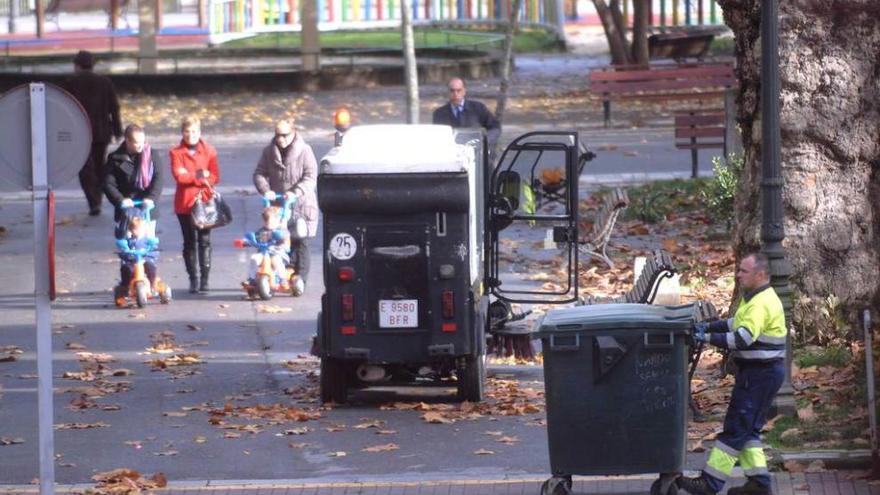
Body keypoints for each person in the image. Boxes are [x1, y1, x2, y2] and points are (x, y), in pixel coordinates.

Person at [679, 252, 787, 495]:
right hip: (758, 374)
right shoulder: (755, 298)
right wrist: (707, 326)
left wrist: (704, 337)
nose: (738, 275)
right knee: (748, 430)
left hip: (761, 375)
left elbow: (741, 339)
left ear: (760, 275)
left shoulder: (761, 303)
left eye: (743, 271)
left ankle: (709, 484)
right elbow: (734, 323)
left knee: (736, 428)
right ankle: (759, 484)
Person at [253, 118, 318, 297]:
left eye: (284, 135)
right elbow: (259, 173)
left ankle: (300, 279)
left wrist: (296, 192)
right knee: (280, 242)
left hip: (302, 205)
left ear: (293, 133)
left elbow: (311, 177)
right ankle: (282, 275)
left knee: (301, 243)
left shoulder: (305, 151)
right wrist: (266, 190)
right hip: (279, 208)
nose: (280, 139)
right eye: (277, 135)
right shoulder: (269, 152)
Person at [65, 49, 123, 216]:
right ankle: (100, 192)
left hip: (80, 132)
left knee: (84, 167)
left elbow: (66, 110)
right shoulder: (105, 82)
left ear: (77, 65)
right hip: (102, 131)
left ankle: (94, 201)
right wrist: (118, 130)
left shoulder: (71, 82)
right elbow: (114, 107)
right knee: (99, 164)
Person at [169, 116, 220, 294]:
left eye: (194, 132)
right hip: (184, 203)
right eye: (187, 131)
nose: (190, 135)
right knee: (189, 242)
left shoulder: (210, 151)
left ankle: (205, 279)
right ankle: (193, 279)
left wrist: (191, 174)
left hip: (204, 201)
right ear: (182, 132)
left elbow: (214, 177)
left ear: (200, 132)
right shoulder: (176, 152)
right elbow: (179, 177)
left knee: (205, 241)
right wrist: (201, 174)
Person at [104, 124, 163, 223]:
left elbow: (158, 178)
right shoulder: (115, 158)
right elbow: (108, 183)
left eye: (142, 141)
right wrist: (120, 200)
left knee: (148, 236)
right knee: (125, 237)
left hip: (147, 208)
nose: (141, 145)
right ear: (127, 141)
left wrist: (151, 198)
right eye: (136, 142)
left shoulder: (152, 155)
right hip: (125, 208)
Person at [432, 77, 501, 147]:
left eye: (459, 90)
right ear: (448, 92)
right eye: (452, 91)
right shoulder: (439, 114)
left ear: (464, 91)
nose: (455, 94)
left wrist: (483, 142)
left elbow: (495, 128)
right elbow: (438, 136)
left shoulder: (478, 108)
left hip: (476, 150)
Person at [114, 215, 160, 305]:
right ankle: (125, 287)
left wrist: (150, 251)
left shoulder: (147, 241)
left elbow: (154, 250)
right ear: (131, 230)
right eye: (135, 229)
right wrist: (125, 252)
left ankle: (152, 283)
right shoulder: (128, 242)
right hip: (132, 261)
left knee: (151, 266)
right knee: (126, 269)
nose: (138, 232)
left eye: (140, 230)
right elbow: (123, 251)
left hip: (144, 260)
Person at [246, 206, 291, 289]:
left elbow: (285, 237)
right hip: (263, 253)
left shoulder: (281, 230)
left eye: (271, 221)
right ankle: (251, 278)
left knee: (275, 259)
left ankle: (283, 279)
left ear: (277, 220)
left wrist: (282, 239)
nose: (268, 224)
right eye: (266, 222)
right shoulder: (261, 231)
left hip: (278, 253)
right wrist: (247, 241)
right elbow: (255, 237)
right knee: (254, 258)